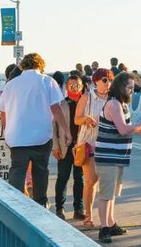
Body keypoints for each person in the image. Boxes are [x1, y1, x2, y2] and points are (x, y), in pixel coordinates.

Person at [0, 52, 70, 207]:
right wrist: (66, 131)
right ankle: (40, 203)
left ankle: (15, 206)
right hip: (41, 136)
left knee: (17, 170)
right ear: (41, 65)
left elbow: (2, 112)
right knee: (40, 170)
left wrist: (4, 130)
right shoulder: (47, 81)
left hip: (17, 136)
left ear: (23, 66)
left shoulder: (11, 84)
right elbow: (56, 108)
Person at [94, 72, 141, 243]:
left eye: (133, 88)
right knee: (106, 194)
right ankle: (104, 228)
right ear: (120, 87)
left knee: (112, 193)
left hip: (117, 155)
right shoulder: (113, 104)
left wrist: (139, 129)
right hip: (108, 156)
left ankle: (111, 223)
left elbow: (125, 127)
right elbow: (123, 129)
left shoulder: (121, 104)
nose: (132, 91)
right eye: (129, 88)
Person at [76, 68, 112, 228]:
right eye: (105, 80)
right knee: (91, 180)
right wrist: (86, 119)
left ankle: (107, 218)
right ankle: (88, 215)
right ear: (96, 81)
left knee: (106, 182)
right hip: (88, 143)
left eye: (110, 80)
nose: (108, 83)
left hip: (107, 144)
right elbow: (76, 119)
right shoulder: (87, 97)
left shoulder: (114, 99)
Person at [52, 72, 86, 221]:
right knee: (63, 177)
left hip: (81, 147)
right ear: (66, 87)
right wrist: (55, 146)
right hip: (64, 146)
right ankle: (59, 208)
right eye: (71, 85)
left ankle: (79, 208)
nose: (74, 88)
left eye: (77, 85)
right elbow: (53, 127)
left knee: (80, 179)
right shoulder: (61, 103)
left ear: (82, 86)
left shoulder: (86, 103)